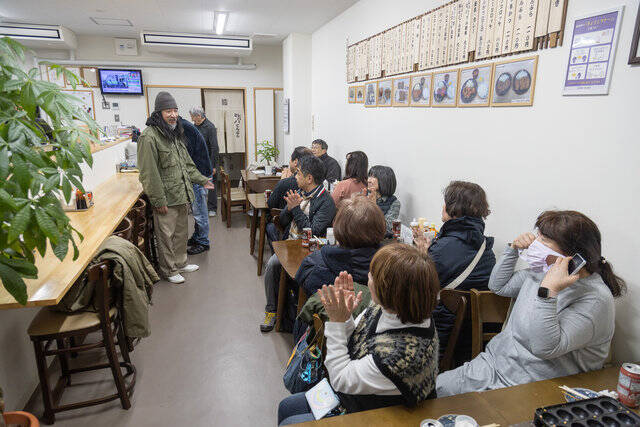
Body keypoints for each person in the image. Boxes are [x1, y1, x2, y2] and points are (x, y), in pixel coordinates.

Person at [436, 210, 625, 397]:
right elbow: (498, 286)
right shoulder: (543, 271)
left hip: (532, 388)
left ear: (572, 255)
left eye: (544, 240)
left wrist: (549, 292)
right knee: (432, 391)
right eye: (538, 235)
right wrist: (513, 250)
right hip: (491, 366)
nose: (534, 242)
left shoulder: (595, 299)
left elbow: (544, 347)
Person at [277, 244, 441, 425]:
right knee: (286, 407)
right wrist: (346, 316)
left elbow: (339, 379)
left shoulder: (399, 357)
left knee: (289, 422)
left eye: (373, 276)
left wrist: (337, 323)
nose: (368, 278)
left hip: (383, 415)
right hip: (359, 395)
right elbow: (356, 340)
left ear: (390, 292)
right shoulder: (392, 308)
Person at [137, 91, 215, 284]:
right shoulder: (149, 137)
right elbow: (148, 173)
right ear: (158, 113)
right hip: (166, 198)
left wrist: (201, 179)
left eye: (175, 110)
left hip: (181, 193)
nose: (172, 114)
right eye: (168, 111)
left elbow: (187, 164)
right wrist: (157, 200)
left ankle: (180, 263)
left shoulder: (174, 134)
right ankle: (169, 270)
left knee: (181, 233)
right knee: (166, 236)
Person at [414, 181, 496, 360]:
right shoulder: (486, 249)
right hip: (471, 339)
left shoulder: (443, 248)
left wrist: (422, 258)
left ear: (454, 208)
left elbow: (417, 287)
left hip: (438, 334)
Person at [293, 196, 386, 340]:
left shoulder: (315, 264)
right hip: (374, 337)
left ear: (338, 229)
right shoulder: (390, 266)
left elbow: (301, 282)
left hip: (328, 339)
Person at [260, 156, 336, 332]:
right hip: (290, 244)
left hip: (307, 250)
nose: (295, 177)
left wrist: (296, 208)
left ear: (309, 178)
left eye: (299, 174)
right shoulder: (301, 193)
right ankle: (271, 310)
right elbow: (285, 222)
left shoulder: (326, 201)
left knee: (273, 264)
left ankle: (286, 311)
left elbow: (312, 232)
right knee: (272, 266)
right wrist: (289, 208)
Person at [266, 146, 314, 244]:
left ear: (295, 162)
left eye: (290, 160)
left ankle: (278, 253)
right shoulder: (313, 183)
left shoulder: (286, 183)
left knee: (269, 227)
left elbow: (270, 205)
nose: (289, 163)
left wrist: (282, 181)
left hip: (286, 224)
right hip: (304, 225)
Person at [179, 117, 212, 255]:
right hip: (199, 173)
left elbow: (187, 156)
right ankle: (198, 236)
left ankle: (203, 242)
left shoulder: (184, 129)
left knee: (200, 211)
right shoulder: (184, 126)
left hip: (199, 174)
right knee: (198, 209)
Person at [189, 106, 219, 217]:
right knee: (197, 185)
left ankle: (212, 208)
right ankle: (198, 207)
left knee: (210, 185)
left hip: (208, 161)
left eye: (192, 117)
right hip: (197, 161)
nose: (191, 119)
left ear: (199, 116)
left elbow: (214, 148)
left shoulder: (210, 127)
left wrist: (213, 165)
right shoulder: (194, 126)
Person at [367, 166, 401, 237]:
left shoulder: (394, 203)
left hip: (381, 242)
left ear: (384, 180)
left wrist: (374, 207)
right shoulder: (364, 195)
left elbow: (386, 229)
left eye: (373, 177)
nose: (368, 180)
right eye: (369, 176)